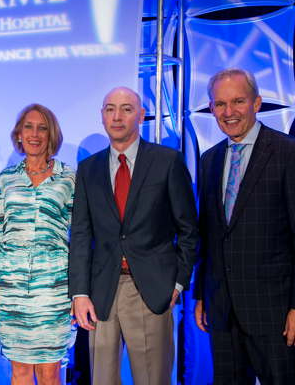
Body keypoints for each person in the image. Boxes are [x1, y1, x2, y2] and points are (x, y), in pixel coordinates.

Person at [195, 68, 295, 384]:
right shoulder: (209, 160)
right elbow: (210, 236)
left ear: (257, 103)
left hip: (278, 314)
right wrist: (202, 294)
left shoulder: (290, 153)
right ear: (212, 108)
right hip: (223, 312)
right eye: (220, 104)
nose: (229, 112)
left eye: (238, 101)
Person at [69, 86, 198, 385]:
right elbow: (80, 234)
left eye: (126, 109)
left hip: (152, 290)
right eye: (110, 109)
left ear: (141, 115)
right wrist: (79, 293)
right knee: (102, 379)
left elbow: (189, 229)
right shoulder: (88, 169)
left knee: (153, 379)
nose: (117, 116)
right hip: (101, 291)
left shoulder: (168, 161)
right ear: (102, 116)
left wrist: (178, 283)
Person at [0, 104, 76, 385]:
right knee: (20, 371)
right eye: (28, 127)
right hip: (13, 289)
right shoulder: (6, 179)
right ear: (19, 134)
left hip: (54, 288)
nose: (35, 134)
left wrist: (79, 290)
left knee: (49, 372)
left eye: (42, 127)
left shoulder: (69, 178)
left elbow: (81, 237)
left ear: (51, 134)